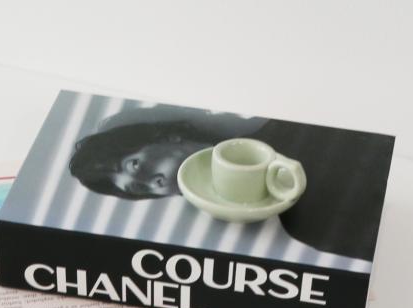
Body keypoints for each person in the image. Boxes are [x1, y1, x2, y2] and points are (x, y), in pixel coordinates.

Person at [66, 104, 389, 262]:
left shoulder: (305, 131)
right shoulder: (302, 227)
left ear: (166, 136)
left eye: (133, 164)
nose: (146, 182)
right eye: (135, 189)